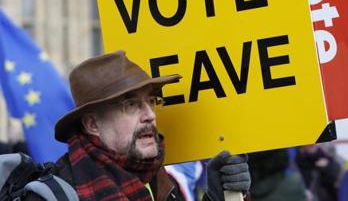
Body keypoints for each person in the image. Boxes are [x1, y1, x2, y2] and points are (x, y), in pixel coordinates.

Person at [24, 50, 250, 201]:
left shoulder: (159, 182)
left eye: (151, 101)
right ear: (92, 124)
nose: (150, 115)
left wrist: (217, 197)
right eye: (131, 105)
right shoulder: (53, 196)